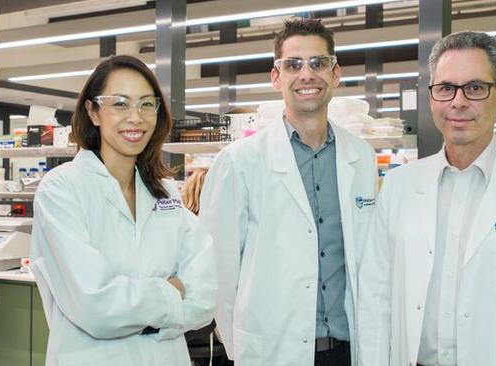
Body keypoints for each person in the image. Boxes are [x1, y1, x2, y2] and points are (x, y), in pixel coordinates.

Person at [357, 30, 496, 366]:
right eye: (446, 88)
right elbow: (376, 299)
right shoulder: (398, 186)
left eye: (475, 88)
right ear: (432, 95)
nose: (458, 102)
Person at [200, 18, 378, 366]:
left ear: (335, 73)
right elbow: (218, 268)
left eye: (318, 63)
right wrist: (240, 348)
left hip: (347, 347)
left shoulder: (362, 157)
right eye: (293, 65)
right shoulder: (240, 162)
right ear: (275, 77)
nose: (306, 74)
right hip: (271, 348)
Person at [29, 55, 217, 366]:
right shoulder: (61, 189)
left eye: (146, 104)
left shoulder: (165, 192)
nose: (136, 117)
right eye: (120, 104)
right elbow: (95, 306)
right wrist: (171, 293)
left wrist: (134, 303)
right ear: (93, 112)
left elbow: (205, 294)